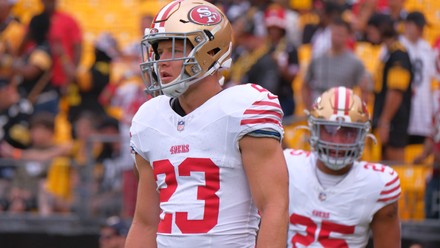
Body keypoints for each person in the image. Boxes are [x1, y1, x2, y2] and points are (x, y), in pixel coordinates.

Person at [126, 1, 289, 248]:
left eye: (173, 49)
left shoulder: (244, 108)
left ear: (209, 50)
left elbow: (274, 207)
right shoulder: (149, 119)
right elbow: (145, 222)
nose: (162, 61)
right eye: (159, 52)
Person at [285, 86, 401, 248]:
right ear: (314, 129)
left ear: (362, 134)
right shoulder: (288, 165)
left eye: (348, 132)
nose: (337, 141)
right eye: (330, 129)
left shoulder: (379, 184)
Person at [366, 13, 413, 163]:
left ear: (382, 29)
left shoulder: (399, 54)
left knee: (395, 168)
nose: (369, 35)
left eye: (372, 30)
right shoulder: (388, 52)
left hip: (394, 122)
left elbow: (396, 92)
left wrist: (385, 121)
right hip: (385, 120)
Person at [302, 17, 368, 109]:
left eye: (340, 35)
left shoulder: (355, 62)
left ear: (348, 36)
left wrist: (358, 111)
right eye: (334, 34)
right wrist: (308, 108)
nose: (336, 38)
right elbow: (305, 84)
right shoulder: (317, 58)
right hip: (319, 109)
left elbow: (364, 89)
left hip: (344, 110)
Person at [400, 11, 436, 145]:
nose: (421, 30)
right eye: (418, 26)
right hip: (402, 110)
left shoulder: (427, 49)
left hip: (422, 109)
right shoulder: (398, 46)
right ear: (407, 25)